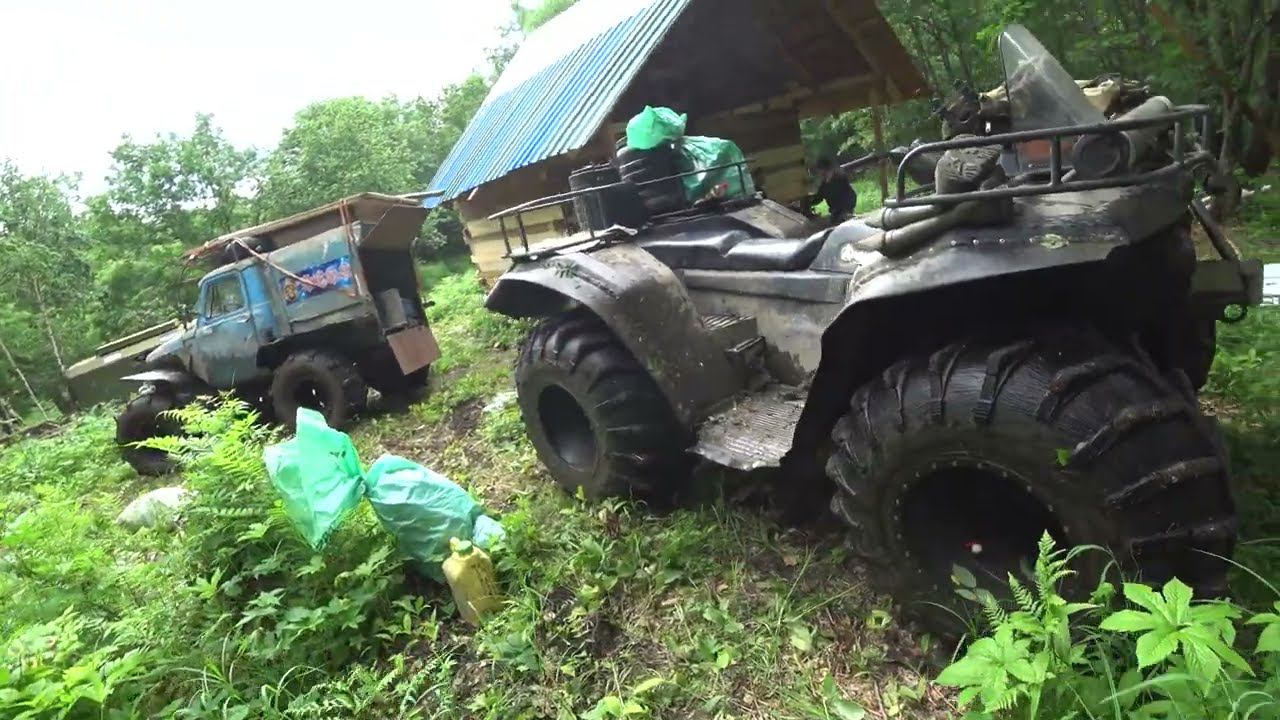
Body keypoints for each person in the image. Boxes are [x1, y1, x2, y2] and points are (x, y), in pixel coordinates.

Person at [808, 157, 857, 225]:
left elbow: (850, 195)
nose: (819, 174)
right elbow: (819, 197)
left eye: (820, 170)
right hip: (835, 211)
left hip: (844, 209)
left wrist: (842, 211)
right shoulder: (824, 184)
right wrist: (808, 201)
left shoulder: (840, 179)